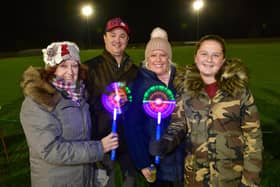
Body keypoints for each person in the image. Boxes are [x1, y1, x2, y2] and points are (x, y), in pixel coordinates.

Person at [150, 34, 263, 187]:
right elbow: (178, 125)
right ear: (196, 57)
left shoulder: (240, 92)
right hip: (195, 179)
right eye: (204, 54)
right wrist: (166, 142)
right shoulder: (185, 91)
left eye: (215, 55)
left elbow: (253, 139)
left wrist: (250, 180)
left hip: (231, 179)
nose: (209, 60)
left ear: (223, 60)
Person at [20, 41, 119, 187]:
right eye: (63, 66)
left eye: (74, 65)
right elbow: (50, 150)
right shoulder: (37, 101)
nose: (70, 72)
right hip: (56, 181)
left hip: (82, 178)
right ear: (52, 69)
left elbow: (82, 137)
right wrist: (99, 148)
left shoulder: (78, 94)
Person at [123, 27, 184, 187]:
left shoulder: (181, 82)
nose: (158, 59)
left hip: (184, 162)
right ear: (147, 58)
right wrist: (142, 162)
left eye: (163, 55)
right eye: (153, 55)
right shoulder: (138, 86)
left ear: (169, 58)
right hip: (157, 164)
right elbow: (132, 128)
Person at [84, 17, 138, 187]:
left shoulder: (135, 71)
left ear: (127, 40)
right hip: (101, 141)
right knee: (106, 183)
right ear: (105, 38)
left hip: (128, 141)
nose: (117, 40)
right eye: (113, 35)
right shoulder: (89, 68)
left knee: (130, 182)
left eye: (122, 36)